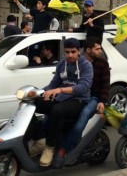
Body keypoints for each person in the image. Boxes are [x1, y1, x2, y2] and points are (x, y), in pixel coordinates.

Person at [30, 38, 93, 167]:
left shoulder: (86, 65)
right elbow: (53, 84)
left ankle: (49, 148)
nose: (70, 55)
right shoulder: (61, 64)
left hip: (78, 100)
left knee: (57, 110)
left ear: (79, 51)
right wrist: (37, 92)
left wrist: (59, 90)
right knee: (31, 103)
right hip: (61, 98)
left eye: (73, 52)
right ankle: (38, 139)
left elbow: (82, 88)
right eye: (67, 52)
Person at [55, 36, 110, 165]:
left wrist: (102, 101)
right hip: (75, 96)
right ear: (88, 50)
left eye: (100, 48)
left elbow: (106, 85)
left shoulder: (102, 63)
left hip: (93, 98)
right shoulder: (73, 62)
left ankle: (64, 149)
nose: (100, 51)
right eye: (97, 49)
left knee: (84, 114)